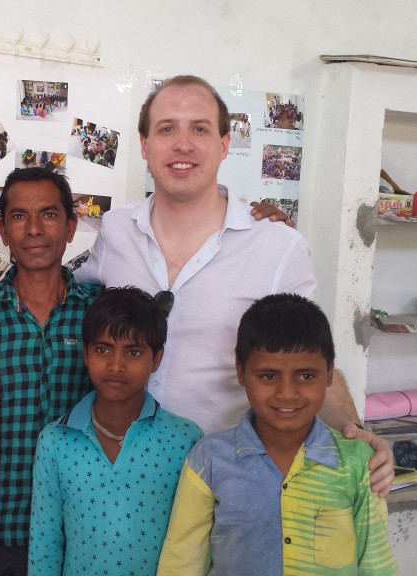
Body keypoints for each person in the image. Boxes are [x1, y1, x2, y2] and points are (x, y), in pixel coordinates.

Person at [74, 75, 394, 494]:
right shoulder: (115, 231)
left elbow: (309, 361)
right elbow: (60, 293)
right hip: (118, 477)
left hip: (229, 483)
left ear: (225, 144)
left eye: (200, 129)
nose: (183, 144)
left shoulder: (277, 246)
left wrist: (354, 432)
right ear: (144, 144)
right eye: (167, 128)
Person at [157, 294, 398, 575]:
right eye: (268, 376)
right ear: (241, 372)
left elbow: (376, 564)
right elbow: (182, 562)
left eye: (306, 376)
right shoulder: (208, 460)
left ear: (329, 374)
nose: (287, 393)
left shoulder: (358, 464)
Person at [28, 287, 202, 576]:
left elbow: (193, 547)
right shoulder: (55, 441)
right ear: (85, 352)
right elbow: (45, 545)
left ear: (156, 358)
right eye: (103, 349)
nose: (116, 365)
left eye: (133, 352)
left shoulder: (185, 440)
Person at [0, 168, 103, 576]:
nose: (34, 229)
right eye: (19, 216)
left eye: (49, 215)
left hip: (86, 530)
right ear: (2, 229)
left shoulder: (99, 313)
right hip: (1, 532)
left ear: (71, 226)